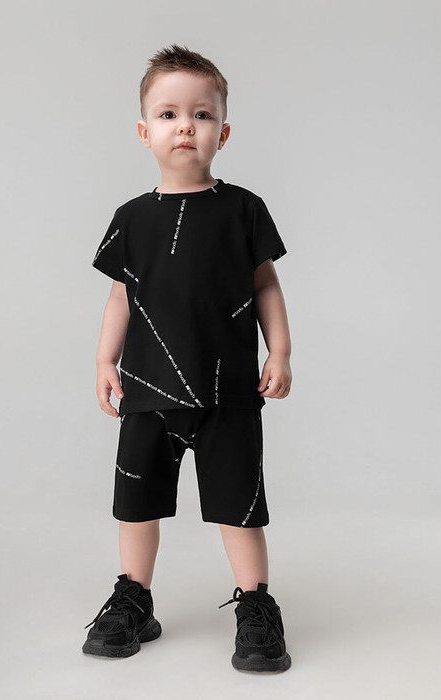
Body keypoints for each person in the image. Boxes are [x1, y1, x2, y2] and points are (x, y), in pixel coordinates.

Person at [82, 44, 293, 673]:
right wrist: (105, 361)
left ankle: (256, 606)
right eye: (169, 114)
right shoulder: (131, 218)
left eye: (201, 115)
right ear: (144, 131)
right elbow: (120, 296)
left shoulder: (244, 209)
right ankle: (133, 598)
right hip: (148, 390)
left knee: (239, 504)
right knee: (137, 503)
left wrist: (280, 350)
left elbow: (265, 285)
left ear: (222, 133)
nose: (185, 126)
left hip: (228, 393)